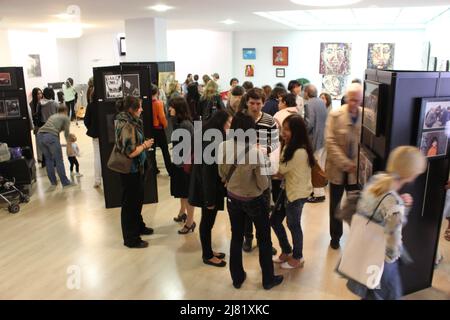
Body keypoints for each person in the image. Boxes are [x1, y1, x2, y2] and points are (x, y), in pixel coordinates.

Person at [347, 146, 426, 300]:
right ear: (411, 174)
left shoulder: (377, 181)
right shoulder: (394, 203)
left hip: (364, 250)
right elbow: (393, 240)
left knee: (369, 294)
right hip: (382, 263)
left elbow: (376, 213)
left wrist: (402, 206)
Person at [218, 112, 283, 290]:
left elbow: (221, 173)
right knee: (264, 238)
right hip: (253, 200)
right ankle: (268, 279)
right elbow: (263, 184)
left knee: (236, 237)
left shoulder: (223, 146)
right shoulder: (256, 153)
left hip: (232, 198)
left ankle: (237, 278)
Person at [189, 110, 231, 267]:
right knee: (207, 221)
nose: (229, 125)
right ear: (222, 122)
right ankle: (207, 255)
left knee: (208, 220)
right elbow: (208, 171)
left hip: (207, 185)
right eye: (228, 122)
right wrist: (209, 198)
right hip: (207, 188)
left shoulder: (209, 134)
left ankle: (209, 251)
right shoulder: (214, 139)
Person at [271, 114, 314, 269]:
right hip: (288, 190)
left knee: (293, 224)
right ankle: (287, 250)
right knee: (275, 220)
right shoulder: (292, 146)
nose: (283, 133)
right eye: (283, 129)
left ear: (297, 131)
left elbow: (280, 170)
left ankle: (298, 256)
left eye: (287, 130)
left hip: (296, 194)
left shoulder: (299, 151)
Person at [325, 83, 363, 249]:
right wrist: (345, 163)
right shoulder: (335, 115)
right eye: (351, 99)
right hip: (337, 169)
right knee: (335, 204)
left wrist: (357, 164)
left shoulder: (367, 115)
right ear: (347, 98)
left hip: (356, 172)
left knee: (356, 204)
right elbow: (330, 142)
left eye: (358, 100)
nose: (354, 103)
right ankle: (335, 237)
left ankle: (356, 236)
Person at [242, 88, 279, 255]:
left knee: (264, 206)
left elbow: (276, 142)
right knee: (246, 206)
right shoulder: (241, 119)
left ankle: (264, 240)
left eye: (258, 103)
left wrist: (265, 149)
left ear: (263, 103)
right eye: (252, 103)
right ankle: (248, 238)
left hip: (263, 168)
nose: (255, 107)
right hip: (244, 170)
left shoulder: (270, 120)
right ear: (247, 102)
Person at [114, 96, 155, 249]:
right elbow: (130, 152)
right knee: (130, 204)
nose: (142, 109)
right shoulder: (127, 125)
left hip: (136, 169)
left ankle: (138, 226)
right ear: (131, 109)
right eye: (139, 107)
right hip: (130, 170)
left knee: (136, 200)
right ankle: (131, 238)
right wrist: (145, 145)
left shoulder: (130, 121)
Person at [169, 96, 196, 234]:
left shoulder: (185, 124)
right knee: (182, 192)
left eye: (171, 107)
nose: (169, 109)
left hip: (185, 165)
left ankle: (190, 222)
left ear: (178, 109)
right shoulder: (178, 122)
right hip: (180, 163)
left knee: (187, 193)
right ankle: (182, 213)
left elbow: (188, 148)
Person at [37, 105, 75, 189]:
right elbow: (66, 134)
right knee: (59, 160)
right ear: (66, 111)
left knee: (48, 159)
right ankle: (65, 183)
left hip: (39, 136)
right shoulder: (65, 118)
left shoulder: (53, 116)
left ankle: (53, 183)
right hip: (51, 136)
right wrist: (70, 144)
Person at [304, 84, 328, 203]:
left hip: (315, 139)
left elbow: (309, 123)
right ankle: (318, 191)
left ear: (307, 93)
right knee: (321, 166)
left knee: (316, 167)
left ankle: (319, 194)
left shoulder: (309, 103)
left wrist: (303, 132)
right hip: (324, 138)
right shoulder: (321, 102)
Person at [84, 78, 102, 188]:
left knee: (97, 156)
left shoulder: (90, 105)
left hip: (95, 133)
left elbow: (86, 121)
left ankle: (97, 180)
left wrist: (91, 127)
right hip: (106, 134)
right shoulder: (103, 106)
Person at [151, 84, 173, 176]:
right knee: (165, 150)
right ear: (157, 92)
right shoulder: (159, 103)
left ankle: (154, 169)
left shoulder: (146, 102)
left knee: (152, 151)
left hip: (150, 129)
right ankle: (170, 170)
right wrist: (165, 125)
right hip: (159, 129)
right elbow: (162, 117)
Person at [29, 87, 43, 161]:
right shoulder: (31, 104)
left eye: (40, 93)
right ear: (35, 95)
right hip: (37, 126)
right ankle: (40, 158)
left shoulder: (44, 102)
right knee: (38, 143)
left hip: (44, 125)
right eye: (38, 94)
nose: (40, 95)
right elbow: (31, 116)